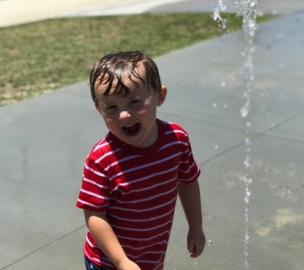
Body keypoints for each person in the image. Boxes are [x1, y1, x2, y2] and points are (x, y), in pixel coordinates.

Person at [76, 51, 206, 270]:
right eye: (112, 107)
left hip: (151, 258)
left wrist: (196, 227)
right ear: (99, 109)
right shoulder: (102, 159)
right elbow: (94, 215)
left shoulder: (176, 140)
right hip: (108, 263)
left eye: (134, 102)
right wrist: (122, 261)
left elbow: (188, 181)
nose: (124, 115)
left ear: (160, 96)